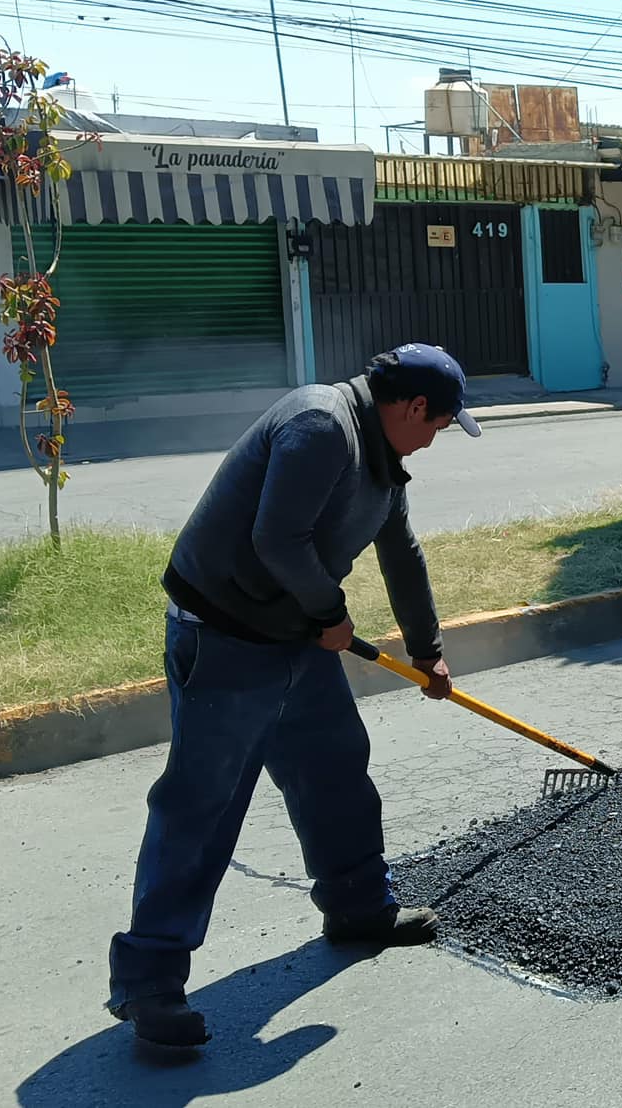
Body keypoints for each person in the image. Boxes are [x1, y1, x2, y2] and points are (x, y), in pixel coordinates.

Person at [107, 343, 482, 1047]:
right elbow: (278, 538)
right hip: (223, 635)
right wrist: (330, 613)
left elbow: (401, 553)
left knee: (334, 767)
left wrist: (427, 650)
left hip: (291, 633)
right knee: (202, 805)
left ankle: (358, 908)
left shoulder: (379, 457)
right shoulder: (321, 425)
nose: (435, 440)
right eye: (437, 425)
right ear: (412, 408)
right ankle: (148, 983)